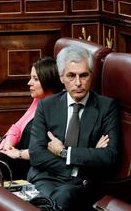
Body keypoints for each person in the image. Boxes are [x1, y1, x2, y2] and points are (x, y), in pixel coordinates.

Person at [28, 45, 120, 210]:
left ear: (91, 76)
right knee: (42, 200)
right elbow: (36, 154)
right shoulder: (46, 106)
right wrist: (82, 161)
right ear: (62, 77)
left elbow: (109, 156)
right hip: (46, 177)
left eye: (84, 75)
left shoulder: (107, 107)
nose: (78, 83)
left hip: (81, 184)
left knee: (59, 199)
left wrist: (64, 152)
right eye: (71, 75)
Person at [0, 56, 64, 180]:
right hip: (15, 156)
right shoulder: (38, 100)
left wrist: (18, 154)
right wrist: (8, 146)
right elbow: (17, 127)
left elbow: (45, 151)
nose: (29, 83)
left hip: (30, 166)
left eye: (35, 79)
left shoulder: (58, 109)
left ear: (48, 80)